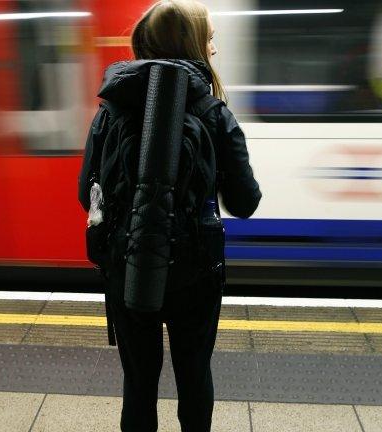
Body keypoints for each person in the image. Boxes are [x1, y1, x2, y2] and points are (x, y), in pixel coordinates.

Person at [78, 1, 261, 431]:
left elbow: (85, 192)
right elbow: (246, 202)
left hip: (129, 264)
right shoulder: (214, 113)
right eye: (209, 37)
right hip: (196, 271)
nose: (213, 48)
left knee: (138, 381)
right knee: (194, 374)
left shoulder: (111, 109)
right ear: (193, 43)